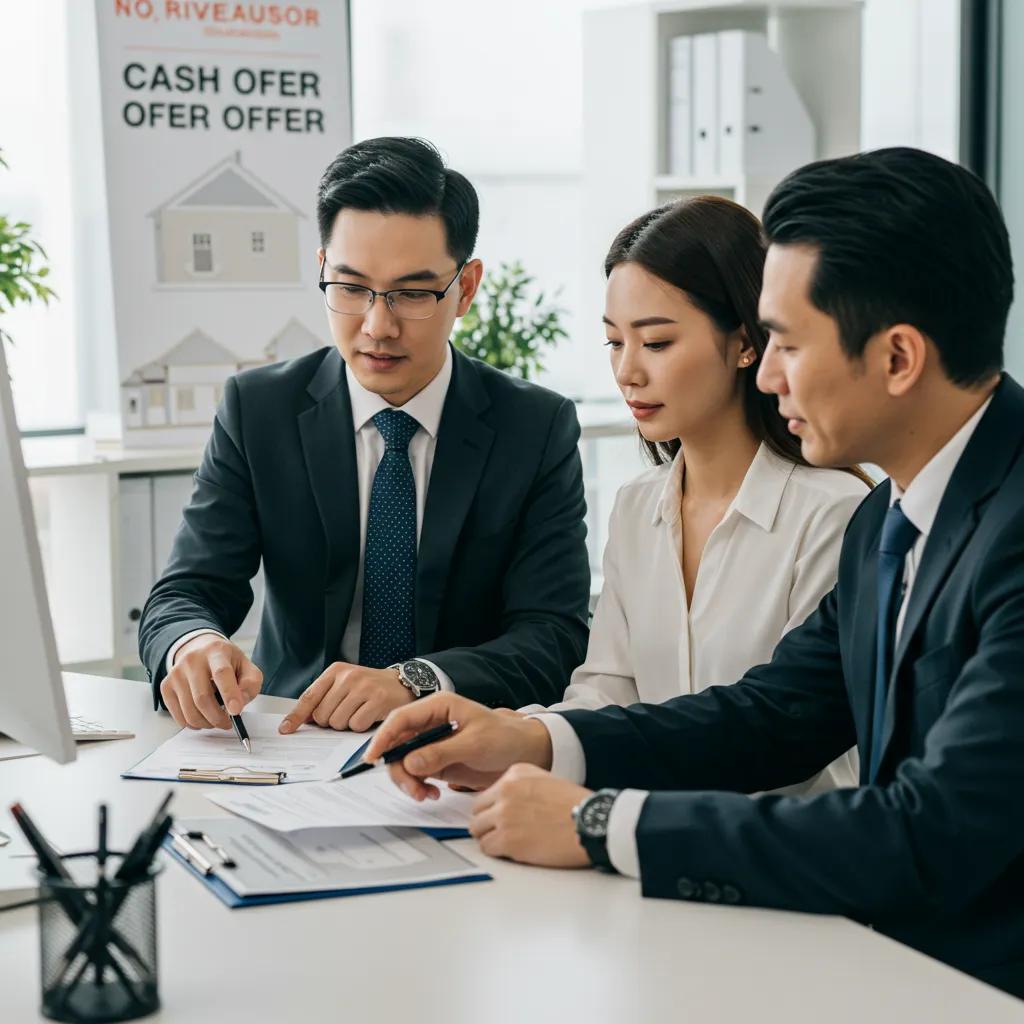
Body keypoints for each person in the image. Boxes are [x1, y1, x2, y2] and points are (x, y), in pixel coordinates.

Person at [365, 147, 1024, 997]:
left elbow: (931, 830)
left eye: (788, 343)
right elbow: (770, 715)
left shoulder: (979, 528)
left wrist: (606, 825)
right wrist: (532, 739)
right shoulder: (887, 522)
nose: (770, 373)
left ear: (898, 358)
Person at [138, 136, 591, 734]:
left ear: (466, 288)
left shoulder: (533, 427)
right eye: (351, 289)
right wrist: (194, 643)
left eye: (412, 294)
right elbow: (186, 591)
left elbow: (554, 635)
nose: (378, 326)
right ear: (322, 269)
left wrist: (415, 680)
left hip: (458, 742)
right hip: (293, 736)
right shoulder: (260, 410)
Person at [524, 196, 869, 791]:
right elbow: (607, 690)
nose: (627, 372)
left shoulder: (833, 513)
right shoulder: (636, 506)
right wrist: (519, 737)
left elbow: (783, 730)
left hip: (778, 836)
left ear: (745, 343)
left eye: (656, 343)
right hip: (638, 828)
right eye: (614, 343)